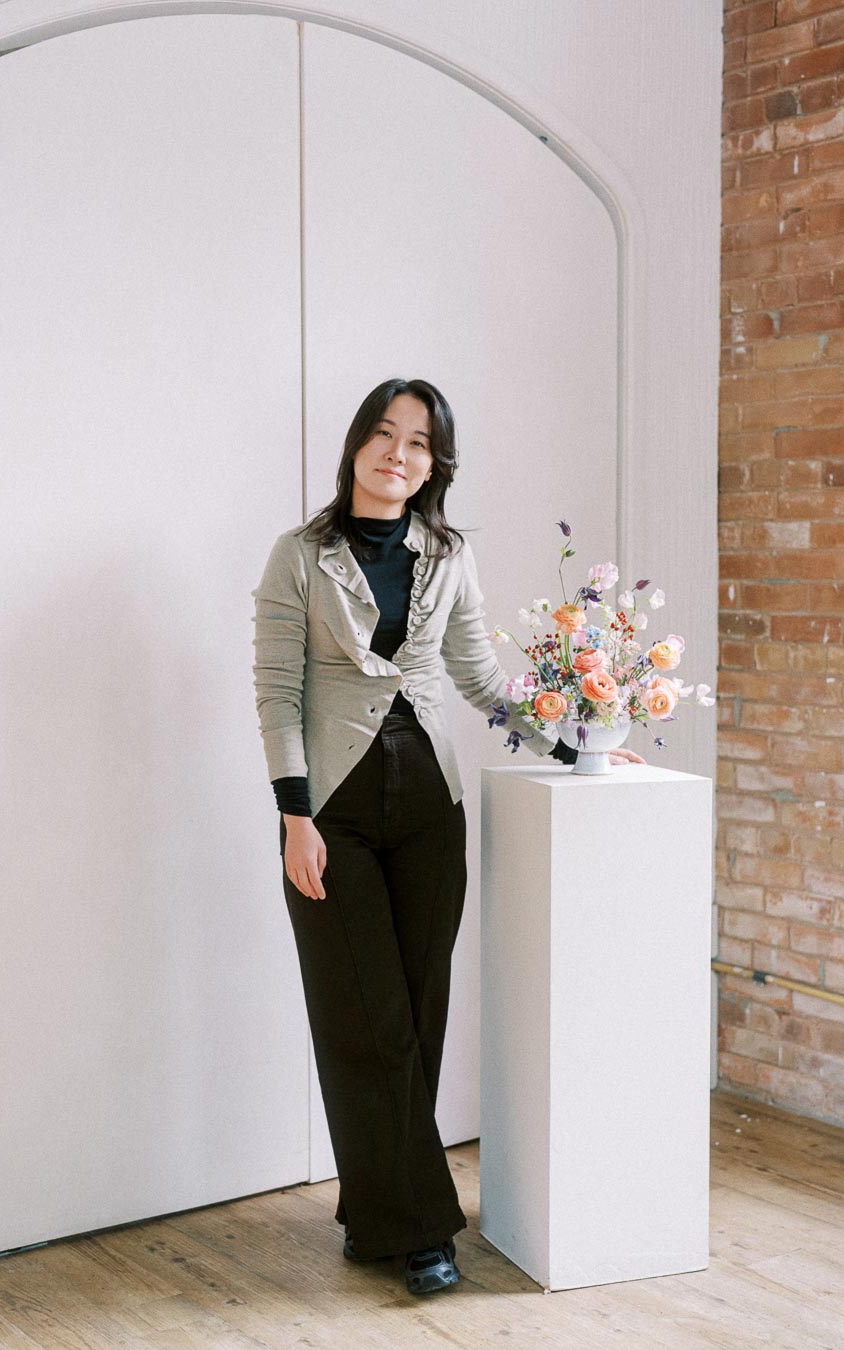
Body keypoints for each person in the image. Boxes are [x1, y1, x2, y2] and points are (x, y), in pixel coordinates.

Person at [251, 377, 645, 1296]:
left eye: (420, 443)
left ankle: (372, 1211)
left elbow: (477, 676)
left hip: (430, 805)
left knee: (418, 1019)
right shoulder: (299, 556)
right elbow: (276, 690)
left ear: (437, 463)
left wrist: (580, 739)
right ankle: (427, 1230)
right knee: (365, 1020)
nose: (400, 453)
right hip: (333, 813)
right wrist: (294, 817)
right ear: (356, 446)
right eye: (385, 435)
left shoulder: (449, 553)